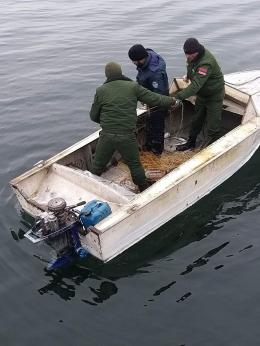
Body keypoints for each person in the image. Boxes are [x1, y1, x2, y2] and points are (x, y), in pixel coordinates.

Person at [90, 62, 177, 192]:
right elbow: (155, 99)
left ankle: (90, 187)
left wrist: (106, 124)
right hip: (126, 135)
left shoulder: (101, 90)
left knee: (97, 166)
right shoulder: (132, 87)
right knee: (134, 164)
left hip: (107, 135)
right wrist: (172, 101)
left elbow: (93, 116)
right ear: (120, 72)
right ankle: (143, 189)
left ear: (106, 75)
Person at [175, 38, 225, 151]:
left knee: (213, 126)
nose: (188, 57)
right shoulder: (192, 56)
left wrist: (178, 97)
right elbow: (191, 67)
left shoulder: (206, 63)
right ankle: (191, 143)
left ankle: (211, 149)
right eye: (186, 54)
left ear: (197, 52)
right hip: (202, 95)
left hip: (214, 96)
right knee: (196, 120)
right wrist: (188, 76)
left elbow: (195, 85)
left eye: (190, 55)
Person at [128, 44, 169, 155]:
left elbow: (158, 94)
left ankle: (157, 150)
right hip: (148, 93)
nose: (134, 64)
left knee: (157, 125)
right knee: (149, 122)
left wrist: (145, 98)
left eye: (135, 62)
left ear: (141, 59)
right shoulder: (149, 53)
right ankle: (149, 144)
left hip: (158, 100)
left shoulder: (154, 73)